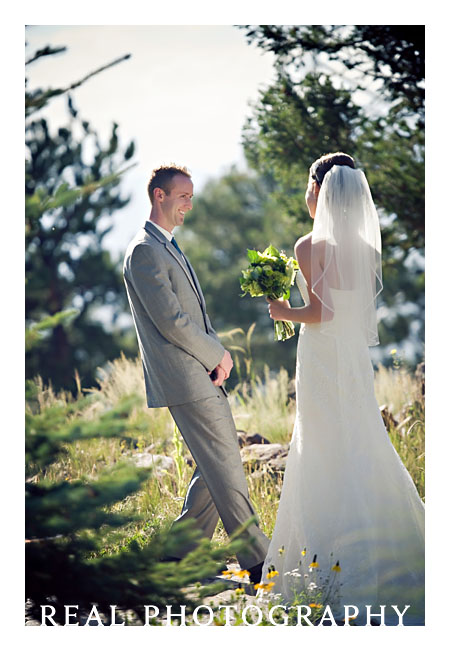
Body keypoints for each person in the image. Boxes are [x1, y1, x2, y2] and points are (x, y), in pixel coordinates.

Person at [262, 153, 425, 625]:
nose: (306, 195)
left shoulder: (308, 246)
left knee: (319, 446)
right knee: (361, 440)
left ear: (321, 190)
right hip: (353, 360)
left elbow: (321, 313)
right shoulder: (365, 248)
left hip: (320, 358)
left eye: (308, 186)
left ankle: (324, 565)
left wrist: (281, 311)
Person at [123, 165, 269, 582]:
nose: (189, 203)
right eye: (183, 196)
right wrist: (217, 353)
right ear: (159, 197)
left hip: (199, 373)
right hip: (186, 377)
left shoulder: (166, 246)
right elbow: (171, 321)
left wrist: (214, 357)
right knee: (225, 463)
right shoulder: (144, 251)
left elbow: (190, 315)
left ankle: (178, 559)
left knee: (213, 465)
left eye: (191, 195)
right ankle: (259, 562)